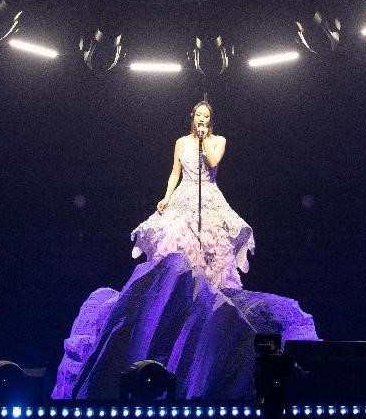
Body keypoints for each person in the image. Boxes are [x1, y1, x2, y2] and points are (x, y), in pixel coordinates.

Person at [52, 101, 318, 400]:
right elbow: (174, 173)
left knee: (213, 243)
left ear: (211, 120)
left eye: (207, 116)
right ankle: (186, 287)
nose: (202, 119)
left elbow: (213, 163)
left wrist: (203, 144)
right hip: (184, 195)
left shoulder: (218, 141)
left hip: (209, 197)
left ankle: (211, 290)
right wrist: (166, 197)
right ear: (192, 117)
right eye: (198, 115)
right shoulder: (180, 142)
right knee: (178, 239)